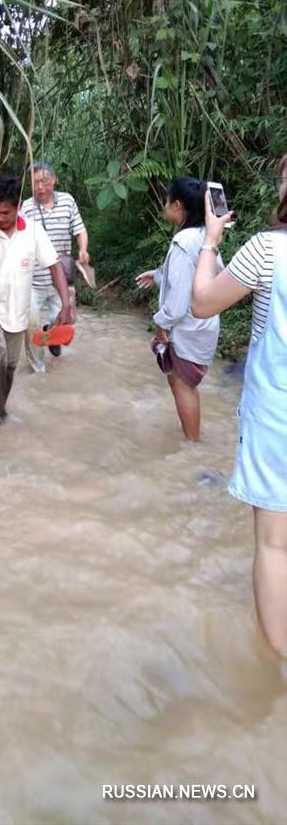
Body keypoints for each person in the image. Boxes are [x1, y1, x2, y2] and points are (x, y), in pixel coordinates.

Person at [191, 155, 287, 657]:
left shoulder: (268, 250)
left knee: (275, 542)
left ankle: (277, 666)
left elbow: (203, 302)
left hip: (277, 415)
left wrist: (210, 241)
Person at [0, 175, 72, 422]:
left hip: (18, 312)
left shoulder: (33, 232)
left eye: (6, 212)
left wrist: (66, 303)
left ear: (19, 208)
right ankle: (0, 416)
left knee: (10, 368)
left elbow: (55, 267)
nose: (0, 218)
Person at [136, 177, 223, 442]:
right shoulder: (204, 237)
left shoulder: (183, 242)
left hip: (187, 327)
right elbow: (202, 276)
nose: (165, 205)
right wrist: (159, 275)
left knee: (182, 385)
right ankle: (191, 435)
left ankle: (192, 443)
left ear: (176, 205)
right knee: (184, 384)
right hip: (203, 324)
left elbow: (177, 303)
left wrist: (161, 326)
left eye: (166, 200)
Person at [21, 162, 89, 372]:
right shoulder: (26, 207)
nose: (40, 187)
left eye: (44, 181)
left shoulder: (68, 201)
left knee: (67, 319)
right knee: (30, 325)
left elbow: (80, 230)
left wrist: (83, 249)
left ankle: (52, 335)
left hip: (62, 278)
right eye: (35, 183)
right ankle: (38, 370)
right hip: (34, 280)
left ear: (54, 179)